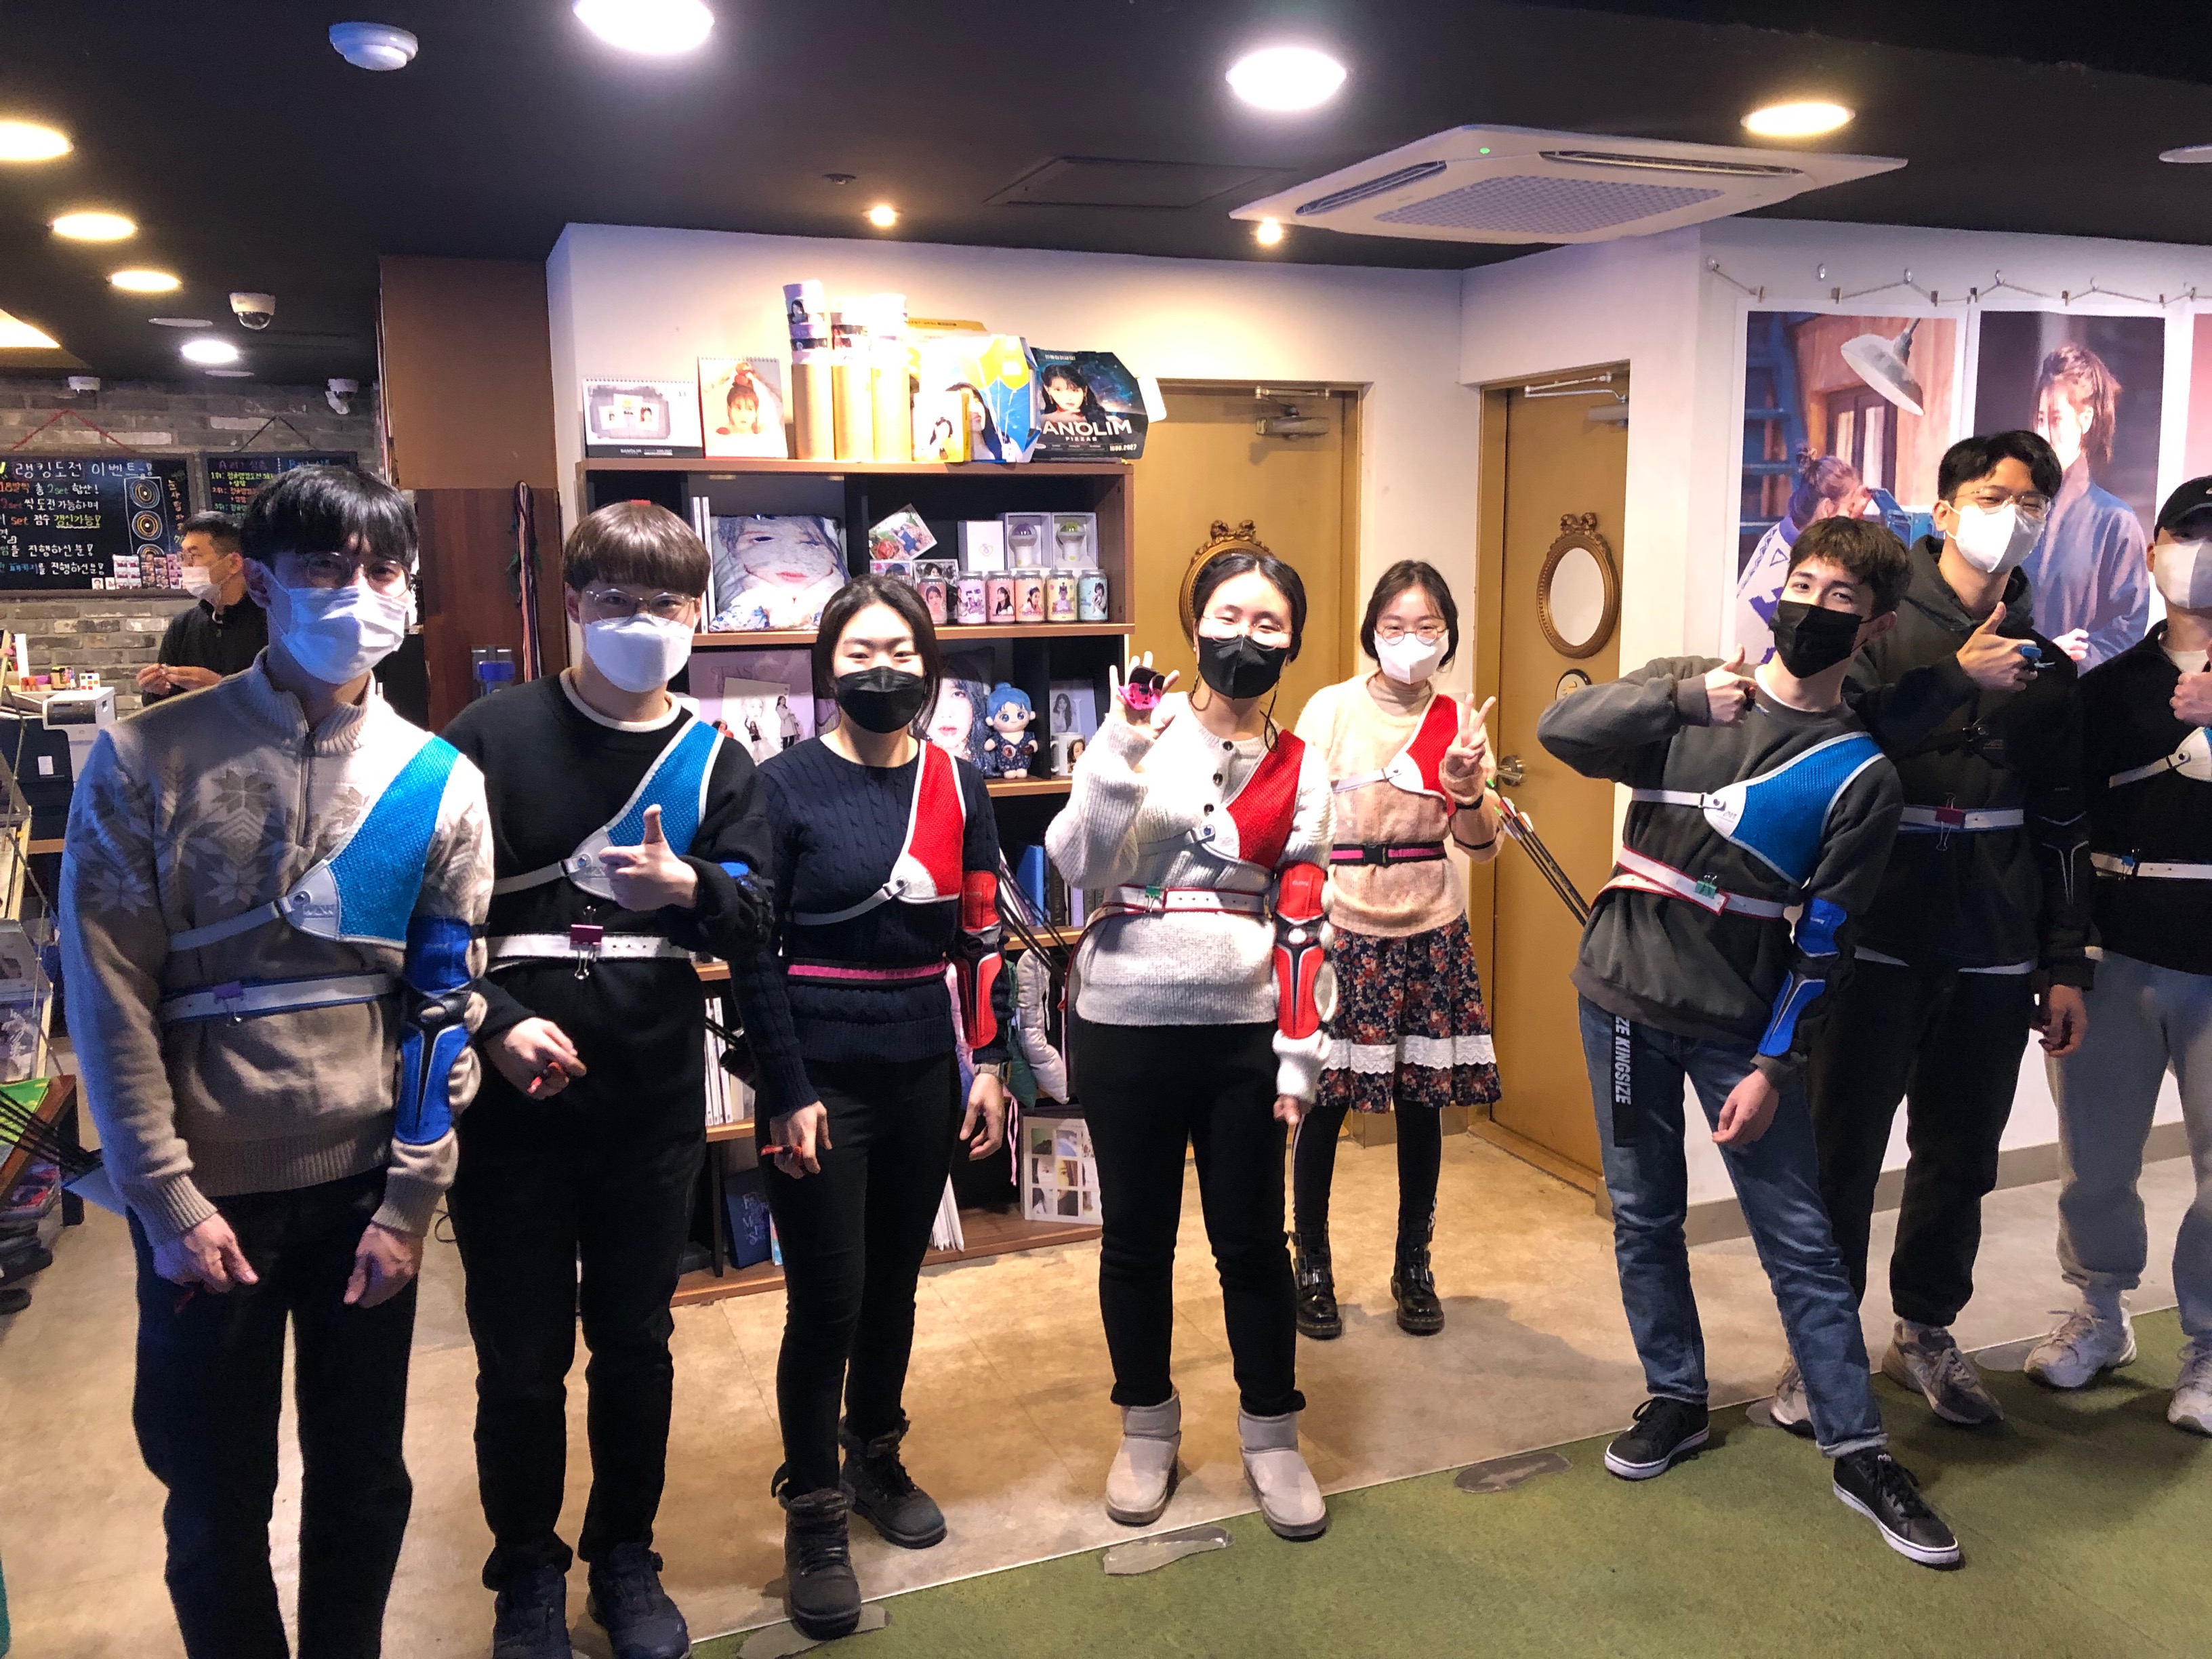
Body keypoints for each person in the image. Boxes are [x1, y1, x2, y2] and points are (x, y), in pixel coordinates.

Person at [60, 464, 492, 1656]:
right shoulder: (144, 759)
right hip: (205, 1195)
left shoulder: (439, 778)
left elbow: (442, 1005)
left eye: (384, 570)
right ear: (261, 581)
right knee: (213, 1498)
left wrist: (411, 1198)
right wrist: (163, 1195)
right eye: (323, 568)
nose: (359, 592)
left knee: (364, 1484)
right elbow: (107, 993)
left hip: (364, 1190)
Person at [1540, 516, 1961, 1567]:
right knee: (1644, 1213)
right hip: (1622, 999)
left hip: (1743, 1027)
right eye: (1802, 584)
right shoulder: (1689, 689)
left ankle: (1859, 1450)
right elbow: (1564, 733)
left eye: (1840, 600)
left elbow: (1827, 941)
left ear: (1875, 627)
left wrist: (1776, 1065)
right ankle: (1675, 1398)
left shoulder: (1862, 774)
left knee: (1800, 1239)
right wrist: (1684, 701)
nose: (1811, 609)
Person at [440, 502, 774, 1659]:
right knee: (519, 1360)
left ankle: (625, 1556)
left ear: (697, 613)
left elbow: (758, 913)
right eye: (617, 600)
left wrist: (688, 887)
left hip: (649, 1099)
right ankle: (526, 1570)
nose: (642, 622)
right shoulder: (488, 735)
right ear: (575, 602)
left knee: (636, 1344)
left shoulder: (717, 758)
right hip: (512, 1109)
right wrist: (492, 1021)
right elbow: (421, 917)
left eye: (666, 603)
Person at [731, 574, 1011, 1641]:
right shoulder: (781, 785)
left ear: (928, 667)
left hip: (922, 1066)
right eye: (859, 653)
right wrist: (786, 1087)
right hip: (818, 1074)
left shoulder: (959, 784)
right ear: (828, 668)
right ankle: (813, 1511)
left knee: (894, 1287)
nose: (881, 670)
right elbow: (754, 951)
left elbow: (979, 935)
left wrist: (990, 1063)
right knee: (828, 1300)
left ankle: (876, 1453)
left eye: (900, 652)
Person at [1799, 431, 2092, 1429]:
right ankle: (1821, 1344)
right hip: (1874, 923)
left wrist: (2064, 961)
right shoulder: (1874, 631)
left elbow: (2064, 822)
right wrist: (1958, 679)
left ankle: (1925, 1328)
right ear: (1946, 506)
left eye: (2033, 504)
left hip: (1995, 934)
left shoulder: (2049, 664)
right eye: (1994, 496)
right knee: (1841, 1147)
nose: (2013, 517)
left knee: (1961, 1152)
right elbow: (1826, 748)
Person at [1047, 548, 1335, 1545]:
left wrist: (1300, 1054)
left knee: (1252, 1241)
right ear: (1196, 623)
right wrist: (1119, 750)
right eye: (1228, 617)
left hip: (1245, 1031)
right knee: (1134, 1239)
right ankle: (1146, 1426)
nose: (1245, 638)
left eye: (1269, 623)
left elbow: (1305, 917)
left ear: (1292, 641)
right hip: (1122, 1020)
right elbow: (1079, 863)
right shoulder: (1139, 728)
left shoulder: (1301, 765)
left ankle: (1272, 1432)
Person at [2022, 475, 2212, 1435]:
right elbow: (2063, 826)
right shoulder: (2105, 688)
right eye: (2188, 534)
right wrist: (2063, 960)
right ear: (2153, 550)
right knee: (2094, 1162)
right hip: (2119, 955)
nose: (2200, 556)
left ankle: (2208, 1343)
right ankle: (2099, 1311)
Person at [1288, 559, 1502, 1339]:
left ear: (1448, 636)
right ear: (1372, 631)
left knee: (1422, 1104)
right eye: (1395, 626)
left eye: (1427, 628)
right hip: (1343, 925)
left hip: (1430, 929)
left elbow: (1480, 845)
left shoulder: (1457, 719)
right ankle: (1310, 1263)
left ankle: (1414, 1265)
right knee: (1325, 1102)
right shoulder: (1331, 708)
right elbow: (1294, 817)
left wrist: (1467, 788)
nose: (1411, 641)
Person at [2022, 343, 2150, 668]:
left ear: (2086, 419)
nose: (2044, 434)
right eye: (2040, 419)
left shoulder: (2115, 523)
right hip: (2008, 685)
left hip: (2080, 689)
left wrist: (2070, 658)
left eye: (2056, 419)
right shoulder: (2017, 512)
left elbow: (2126, 630)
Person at [1734, 455, 1870, 666]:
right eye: (1852, 508)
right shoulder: (1808, 569)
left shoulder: (1779, 533)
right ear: (1828, 509)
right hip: (1750, 673)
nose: (1859, 519)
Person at [138, 511, 267, 703]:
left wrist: (220, 686)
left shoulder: (272, 622)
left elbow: (289, 705)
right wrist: (157, 689)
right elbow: (156, 708)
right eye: (183, 557)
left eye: (194, 556)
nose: (186, 566)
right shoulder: (183, 626)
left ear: (233, 563)